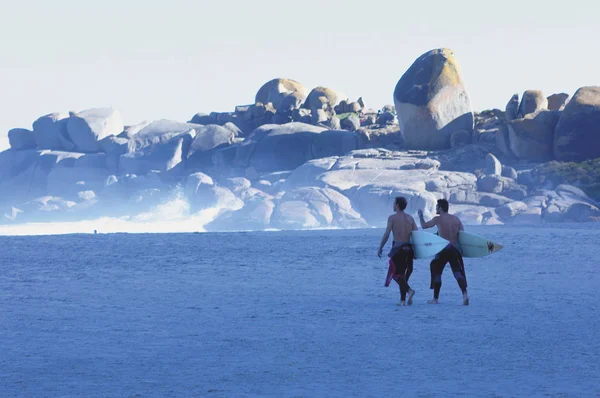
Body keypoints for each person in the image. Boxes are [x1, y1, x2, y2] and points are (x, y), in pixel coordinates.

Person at [418, 199, 469, 305]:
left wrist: (420, 216)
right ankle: (465, 295)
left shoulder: (437, 219)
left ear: (441, 208)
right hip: (454, 249)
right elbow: (463, 235)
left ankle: (435, 299)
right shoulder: (456, 219)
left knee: (437, 273)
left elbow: (424, 226)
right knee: (457, 273)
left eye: (437, 207)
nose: (436, 208)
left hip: (442, 249)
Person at [378, 196, 418, 306]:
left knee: (396, 274)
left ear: (397, 205)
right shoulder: (410, 218)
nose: (393, 205)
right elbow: (417, 235)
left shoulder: (392, 218)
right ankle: (402, 300)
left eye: (394, 203)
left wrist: (380, 247)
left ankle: (409, 291)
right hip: (409, 248)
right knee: (403, 275)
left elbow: (387, 234)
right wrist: (416, 251)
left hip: (398, 249)